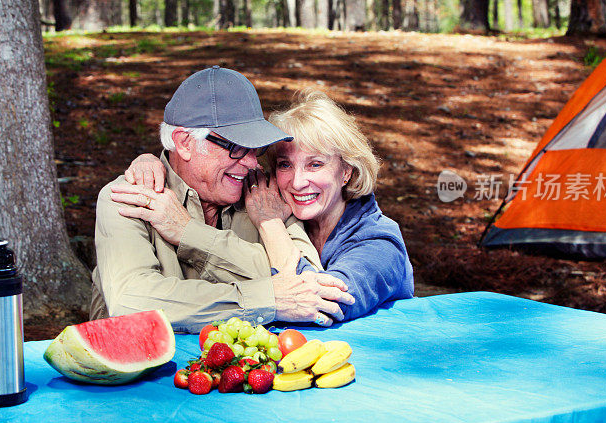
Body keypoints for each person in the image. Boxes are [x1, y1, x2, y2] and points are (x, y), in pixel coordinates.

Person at [90, 66, 354, 333]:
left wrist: (190, 234)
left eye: (256, 148)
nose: (252, 162)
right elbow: (132, 301)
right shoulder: (129, 196)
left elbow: (309, 282)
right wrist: (267, 299)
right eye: (237, 147)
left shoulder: (262, 191)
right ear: (184, 143)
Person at [125, 90, 414, 323]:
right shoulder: (274, 202)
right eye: (285, 164)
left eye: (315, 164)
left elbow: (318, 301)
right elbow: (204, 163)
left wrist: (269, 223)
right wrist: (154, 162)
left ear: (347, 171)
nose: (298, 182)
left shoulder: (379, 241)